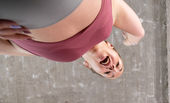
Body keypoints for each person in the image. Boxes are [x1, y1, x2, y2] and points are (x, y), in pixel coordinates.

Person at [0, 0, 145, 79]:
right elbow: (137, 31)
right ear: (111, 46)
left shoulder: (40, 53)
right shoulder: (112, 17)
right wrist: (135, 36)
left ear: (88, 65)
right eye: (118, 64)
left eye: (107, 73)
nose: (112, 68)